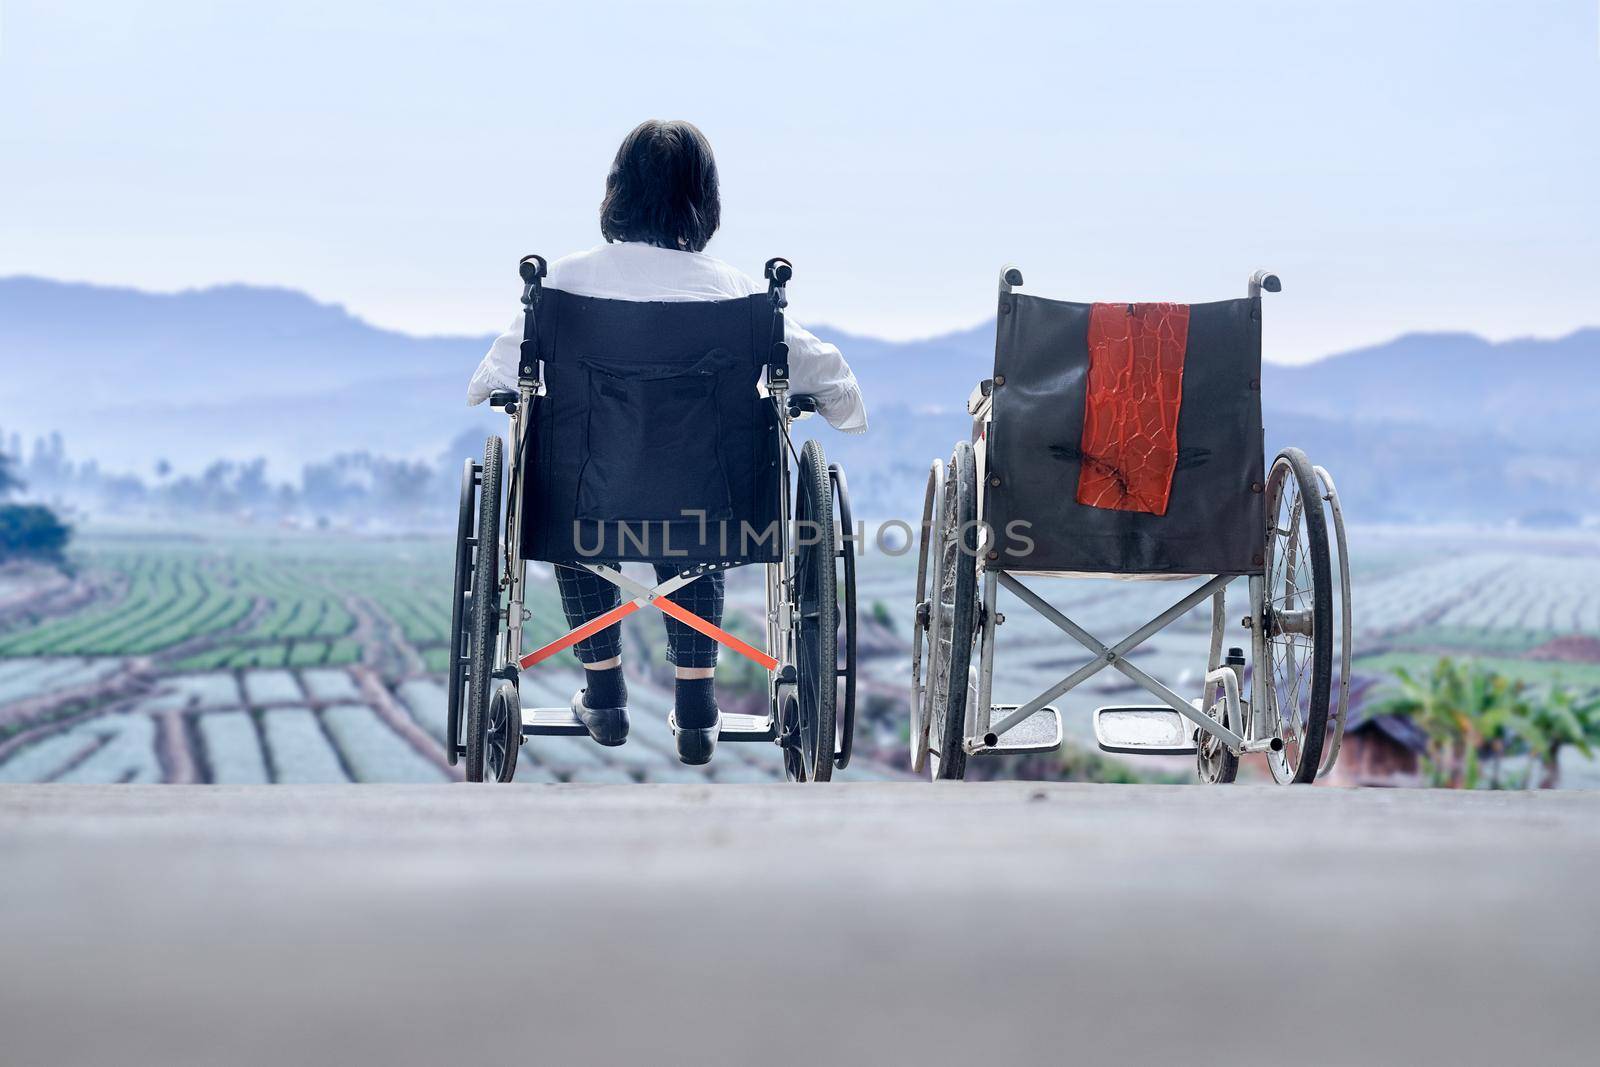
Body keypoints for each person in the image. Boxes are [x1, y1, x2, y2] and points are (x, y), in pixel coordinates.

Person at [467, 119, 866, 765]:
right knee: (696, 505)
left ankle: (602, 693)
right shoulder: (739, 292)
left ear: (615, 190)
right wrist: (830, 405)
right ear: (704, 198)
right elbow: (833, 379)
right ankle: (698, 705)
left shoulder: (557, 288)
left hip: (583, 510)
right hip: (711, 510)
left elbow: (492, 379)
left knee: (563, 474)